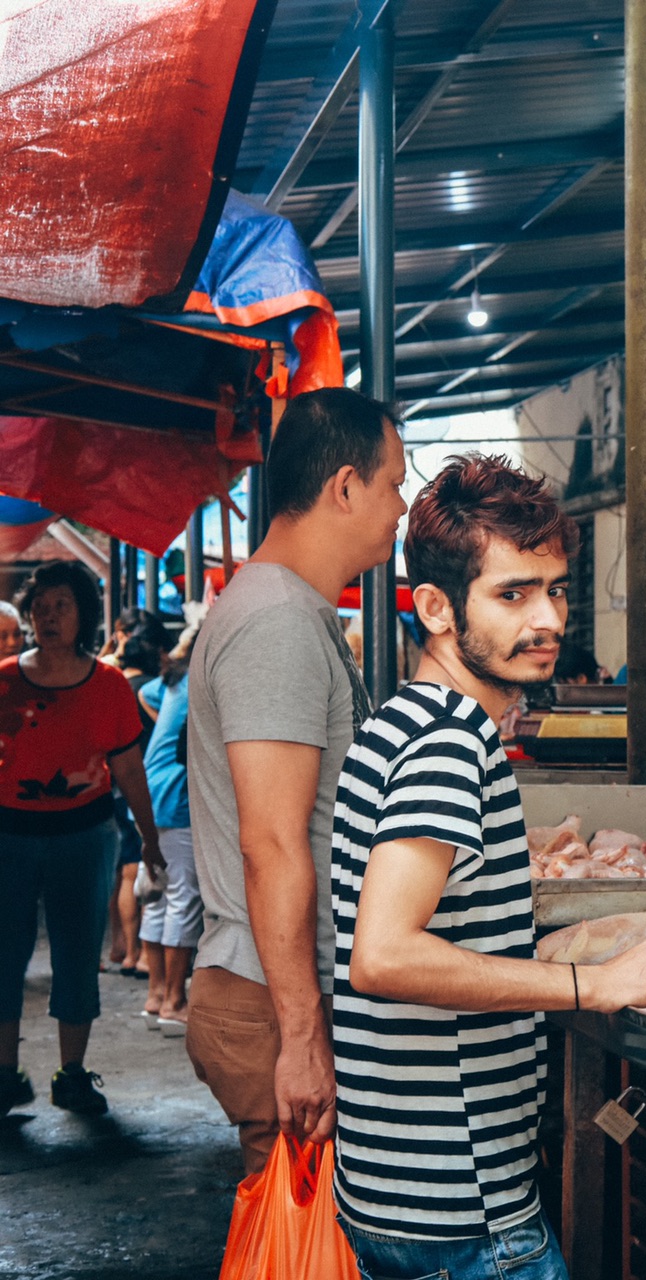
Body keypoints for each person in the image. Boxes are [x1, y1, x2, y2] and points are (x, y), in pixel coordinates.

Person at [331, 456, 646, 1278]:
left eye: (556, 589)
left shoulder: (398, 723)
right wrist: (591, 987)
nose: (549, 618)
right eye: (513, 593)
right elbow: (384, 955)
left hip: (396, 1190)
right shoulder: (450, 745)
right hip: (462, 1209)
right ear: (435, 608)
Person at [185, 387, 408, 1175]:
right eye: (393, 484)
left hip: (287, 993)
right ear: (345, 487)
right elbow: (271, 845)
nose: (401, 506)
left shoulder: (294, 611)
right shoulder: (275, 620)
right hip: (274, 1000)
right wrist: (306, 1037)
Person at [0, 562, 163, 1116]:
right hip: (10, 835)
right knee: (4, 953)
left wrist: (150, 837)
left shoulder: (109, 684)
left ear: (82, 615)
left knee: (76, 950)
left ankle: (71, 1075)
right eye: (40, 607)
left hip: (85, 835)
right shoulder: (2, 679)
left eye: (61, 606)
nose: (48, 617)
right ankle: (5, 1074)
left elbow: (130, 769)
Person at [138, 612, 204, 1035]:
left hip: (149, 788)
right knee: (183, 896)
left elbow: (145, 692)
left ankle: (156, 995)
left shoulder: (173, 681)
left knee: (159, 893)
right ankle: (175, 1000)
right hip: (177, 796)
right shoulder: (205, 684)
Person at [105, 607, 167, 976]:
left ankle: (121, 947)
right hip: (138, 785)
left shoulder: (113, 682)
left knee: (121, 873)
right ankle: (139, 954)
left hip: (112, 787)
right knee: (137, 871)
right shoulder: (151, 690)